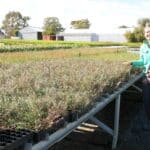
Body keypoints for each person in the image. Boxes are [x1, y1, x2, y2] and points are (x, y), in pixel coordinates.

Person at [124, 22, 150, 122]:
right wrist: (131, 62)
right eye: (147, 32)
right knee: (147, 102)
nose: (148, 34)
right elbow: (142, 61)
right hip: (147, 77)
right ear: (144, 34)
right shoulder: (143, 47)